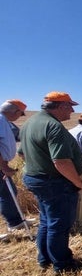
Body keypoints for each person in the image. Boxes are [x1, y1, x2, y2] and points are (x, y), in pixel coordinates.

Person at [19, 91, 82, 273]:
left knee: (47, 221)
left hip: (37, 179)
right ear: (61, 106)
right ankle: (62, 264)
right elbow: (61, 161)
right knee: (59, 223)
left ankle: (45, 258)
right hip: (55, 183)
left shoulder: (29, 123)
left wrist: (39, 165)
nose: (72, 110)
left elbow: (22, 154)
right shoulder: (53, 126)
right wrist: (77, 182)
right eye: (70, 106)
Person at [1, 99, 34, 237]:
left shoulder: (5, 122)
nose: (19, 117)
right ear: (15, 111)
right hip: (1, 165)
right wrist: (3, 166)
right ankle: (14, 222)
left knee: (9, 193)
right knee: (5, 193)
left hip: (3, 164)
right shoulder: (1, 121)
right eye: (21, 114)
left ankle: (15, 222)